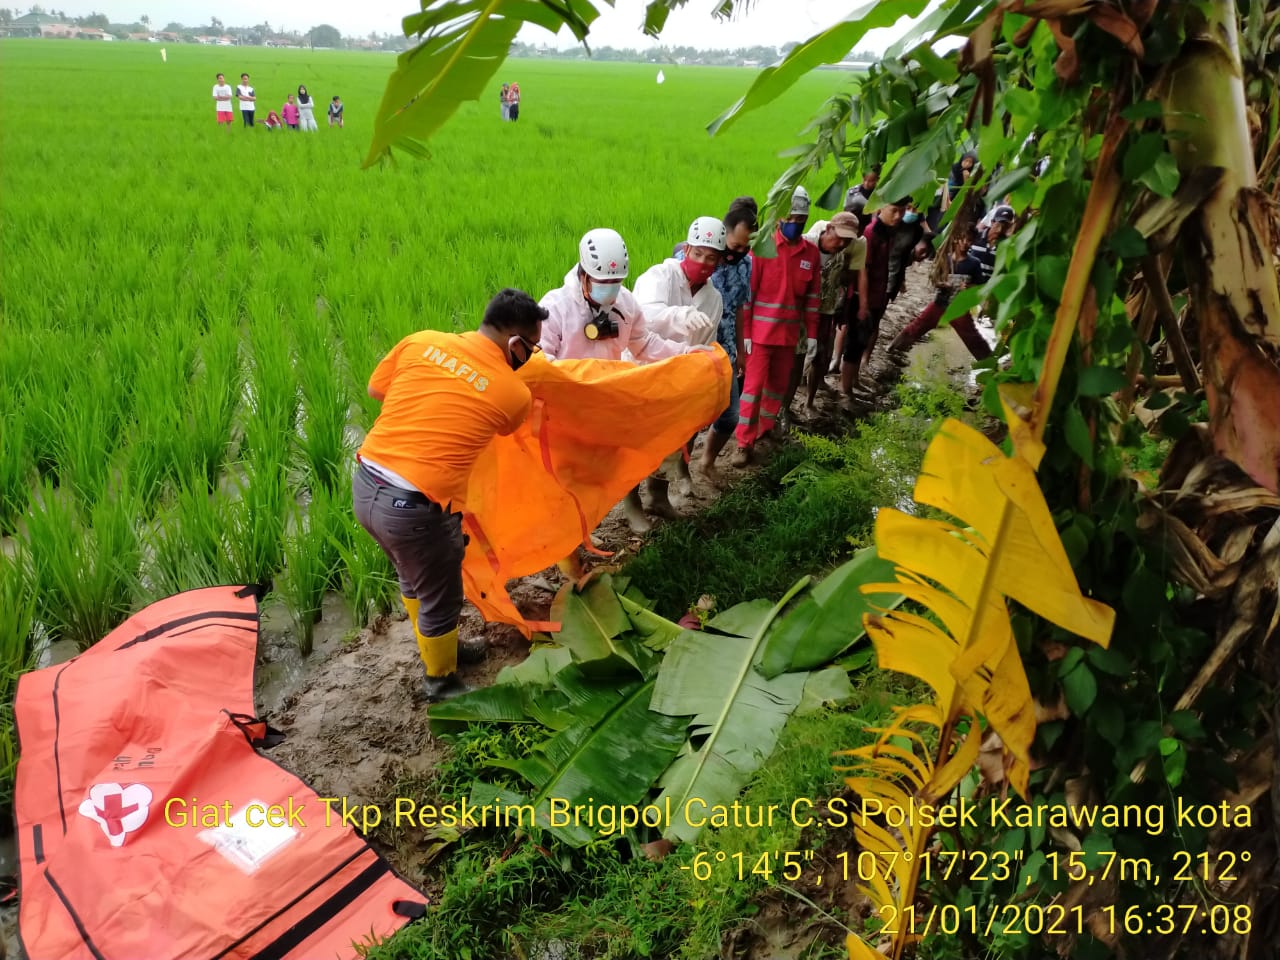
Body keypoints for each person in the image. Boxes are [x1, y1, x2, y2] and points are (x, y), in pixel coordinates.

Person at [353, 288, 547, 702]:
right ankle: (441, 682)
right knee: (442, 597)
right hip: (414, 509)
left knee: (412, 575)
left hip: (366, 485)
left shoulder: (422, 341)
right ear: (515, 343)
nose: (531, 356)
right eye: (532, 348)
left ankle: (442, 646)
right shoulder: (513, 392)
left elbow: (377, 389)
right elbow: (507, 429)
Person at [539, 228, 712, 533]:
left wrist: (684, 352)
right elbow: (540, 358)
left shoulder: (625, 303)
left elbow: (644, 344)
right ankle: (569, 538)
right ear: (584, 274)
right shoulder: (557, 307)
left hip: (606, 403)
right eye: (603, 283)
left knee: (610, 465)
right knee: (568, 477)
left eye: (616, 282)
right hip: (566, 408)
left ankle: (604, 519)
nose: (611, 290)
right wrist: (575, 380)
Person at [634, 215, 726, 512]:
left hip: (679, 378)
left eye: (710, 258)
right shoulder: (660, 276)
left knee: (672, 440)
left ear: (719, 261)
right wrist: (680, 315)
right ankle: (631, 503)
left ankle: (658, 497)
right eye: (697, 253)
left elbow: (707, 341)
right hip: (643, 371)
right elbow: (643, 315)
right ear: (686, 250)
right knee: (636, 441)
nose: (702, 262)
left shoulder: (713, 299)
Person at [733, 186, 820, 467]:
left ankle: (765, 429)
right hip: (760, 336)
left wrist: (813, 335)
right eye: (790, 218)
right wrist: (746, 334)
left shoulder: (811, 254)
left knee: (776, 388)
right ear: (780, 217)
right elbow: (748, 296)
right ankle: (743, 443)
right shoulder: (763, 248)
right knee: (753, 389)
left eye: (800, 219)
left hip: (789, 337)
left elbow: (813, 298)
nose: (795, 223)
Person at [888, 228, 993, 360]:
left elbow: (979, 286)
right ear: (956, 239)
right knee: (918, 326)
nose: (966, 243)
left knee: (972, 337)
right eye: (963, 239)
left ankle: (989, 363)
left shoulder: (974, 263)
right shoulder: (944, 259)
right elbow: (934, 279)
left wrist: (968, 287)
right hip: (940, 303)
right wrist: (941, 284)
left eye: (970, 241)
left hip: (958, 308)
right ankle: (892, 349)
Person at [795, 211, 860, 416]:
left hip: (824, 312)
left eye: (847, 241)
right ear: (829, 228)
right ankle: (784, 406)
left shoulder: (841, 256)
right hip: (797, 312)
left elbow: (842, 285)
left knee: (821, 357)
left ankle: (809, 402)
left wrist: (841, 310)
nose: (841, 243)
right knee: (794, 359)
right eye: (839, 237)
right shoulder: (805, 244)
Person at [842, 197, 906, 401]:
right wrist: (864, 304)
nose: (898, 216)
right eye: (894, 210)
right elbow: (863, 272)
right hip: (864, 299)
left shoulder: (887, 232)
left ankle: (854, 382)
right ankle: (847, 390)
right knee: (855, 344)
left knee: (862, 342)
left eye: (902, 211)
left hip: (877, 297)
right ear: (882, 208)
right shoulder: (871, 233)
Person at [886, 201, 933, 302]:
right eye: (908, 208)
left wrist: (901, 280)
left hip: (893, 274)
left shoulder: (916, 231)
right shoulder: (889, 224)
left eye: (915, 209)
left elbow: (904, 257)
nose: (911, 212)